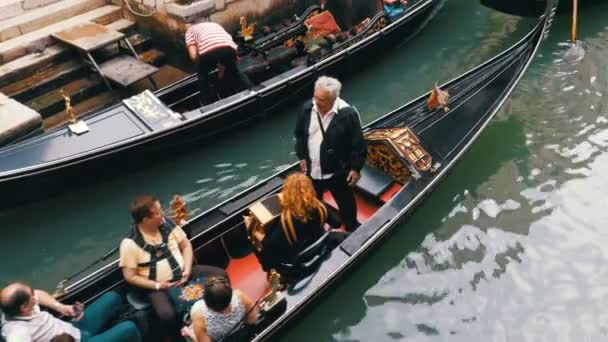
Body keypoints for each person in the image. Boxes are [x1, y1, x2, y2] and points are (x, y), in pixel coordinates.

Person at [119, 195, 227, 340]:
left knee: (221, 275)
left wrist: (187, 270)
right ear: (146, 220)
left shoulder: (167, 223)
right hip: (157, 285)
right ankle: (178, 338)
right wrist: (158, 286)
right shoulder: (129, 244)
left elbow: (186, 245)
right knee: (167, 315)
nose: (162, 214)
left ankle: (221, 315)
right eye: (157, 213)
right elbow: (129, 276)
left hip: (185, 272)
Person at [294, 76, 366, 231]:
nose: (317, 103)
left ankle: (351, 227)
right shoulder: (307, 108)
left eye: (323, 100)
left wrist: (355, 168)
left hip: (338, 169)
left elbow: (358, 144)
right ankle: (317, 230)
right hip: (312, 167)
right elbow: (300, 135)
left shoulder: (348, 115)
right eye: (316, 98)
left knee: (345, 201)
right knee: (313, 201)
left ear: (334, 98)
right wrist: (301, 156)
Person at [248, 172, 346, 271]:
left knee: (260, 249)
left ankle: (273, 272)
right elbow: (337, 223)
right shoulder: (320, 206)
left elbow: (269, 245)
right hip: (319, 245)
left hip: (299, 256)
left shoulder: (286, 220)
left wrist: (254, 232)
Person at [0, 282, 141, 342]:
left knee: (112, 297)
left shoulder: (18, 306)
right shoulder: (17, 332)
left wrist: (60, 307)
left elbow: (39, 294)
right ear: (23, 307)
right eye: (31, 295)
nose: (34, 295)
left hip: (75, 328)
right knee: (129, 327)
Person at [185, 22, 253, 105]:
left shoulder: (189, 31)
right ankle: (252, 90)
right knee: (235, 71)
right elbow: (224, 40)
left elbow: (193, 56)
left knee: (202, 75)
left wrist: (202, 65)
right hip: (228, 47)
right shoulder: (214, 24)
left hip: (209, 51)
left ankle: (207, 103)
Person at [180, 276, 258, 342]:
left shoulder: (198, 313)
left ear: (205, 299)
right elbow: (253, 321)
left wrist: (191, 334)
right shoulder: (239, 296)